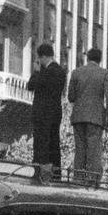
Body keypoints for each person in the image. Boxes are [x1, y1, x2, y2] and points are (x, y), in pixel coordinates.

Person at [67, 47, 108, 178]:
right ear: (100, 59)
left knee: (79, 150)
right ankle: (92, 182)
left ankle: (78, 180)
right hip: (95, 118)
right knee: (93, 151)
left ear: (87, 58)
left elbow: (70, 97)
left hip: (78, 117)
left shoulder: (76, 72)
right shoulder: (105, 73)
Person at [27, 42, 68, 172]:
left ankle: (39, 173)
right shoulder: (61, 71)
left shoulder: (45, 72)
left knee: (40, 145)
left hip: (42, 114)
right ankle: (56, 174)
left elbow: (31, 86)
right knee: (54, 145)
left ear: (43, 57)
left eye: (39, 58)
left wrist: (36, 72)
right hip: (55, 113)